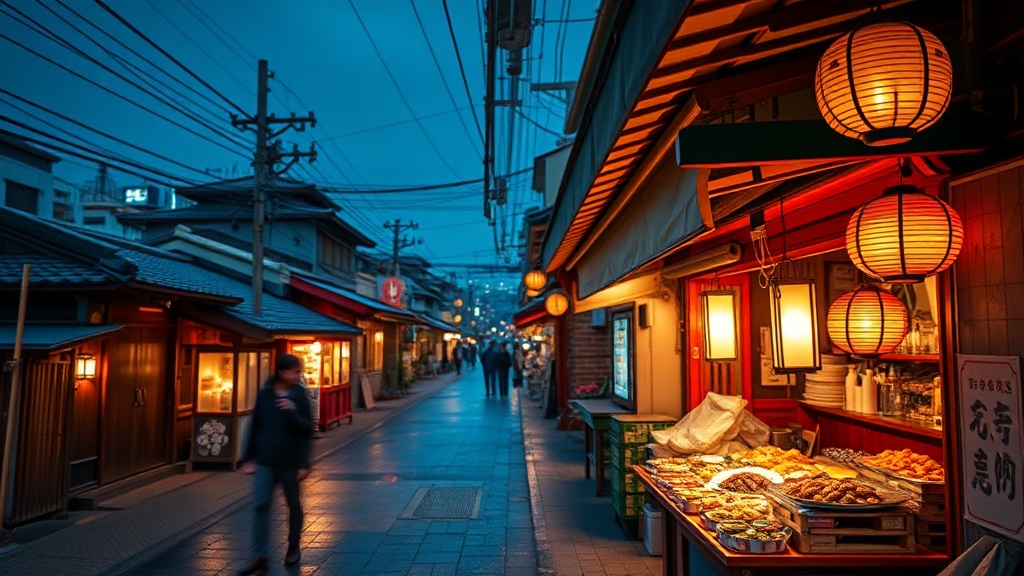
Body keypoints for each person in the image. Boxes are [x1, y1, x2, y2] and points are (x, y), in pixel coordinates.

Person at [238, 354, 313, 575]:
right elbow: (255, 427)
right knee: (261, 506)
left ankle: (293, 546)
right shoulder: (264, 396)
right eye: (295, 371)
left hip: (290, 462)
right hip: (265, 461)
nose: (298, 375)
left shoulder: (299, 396)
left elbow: (307, 430)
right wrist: (248, 458)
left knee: (294, 505)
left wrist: (304, 463)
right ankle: (259, 556)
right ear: (282, 372)